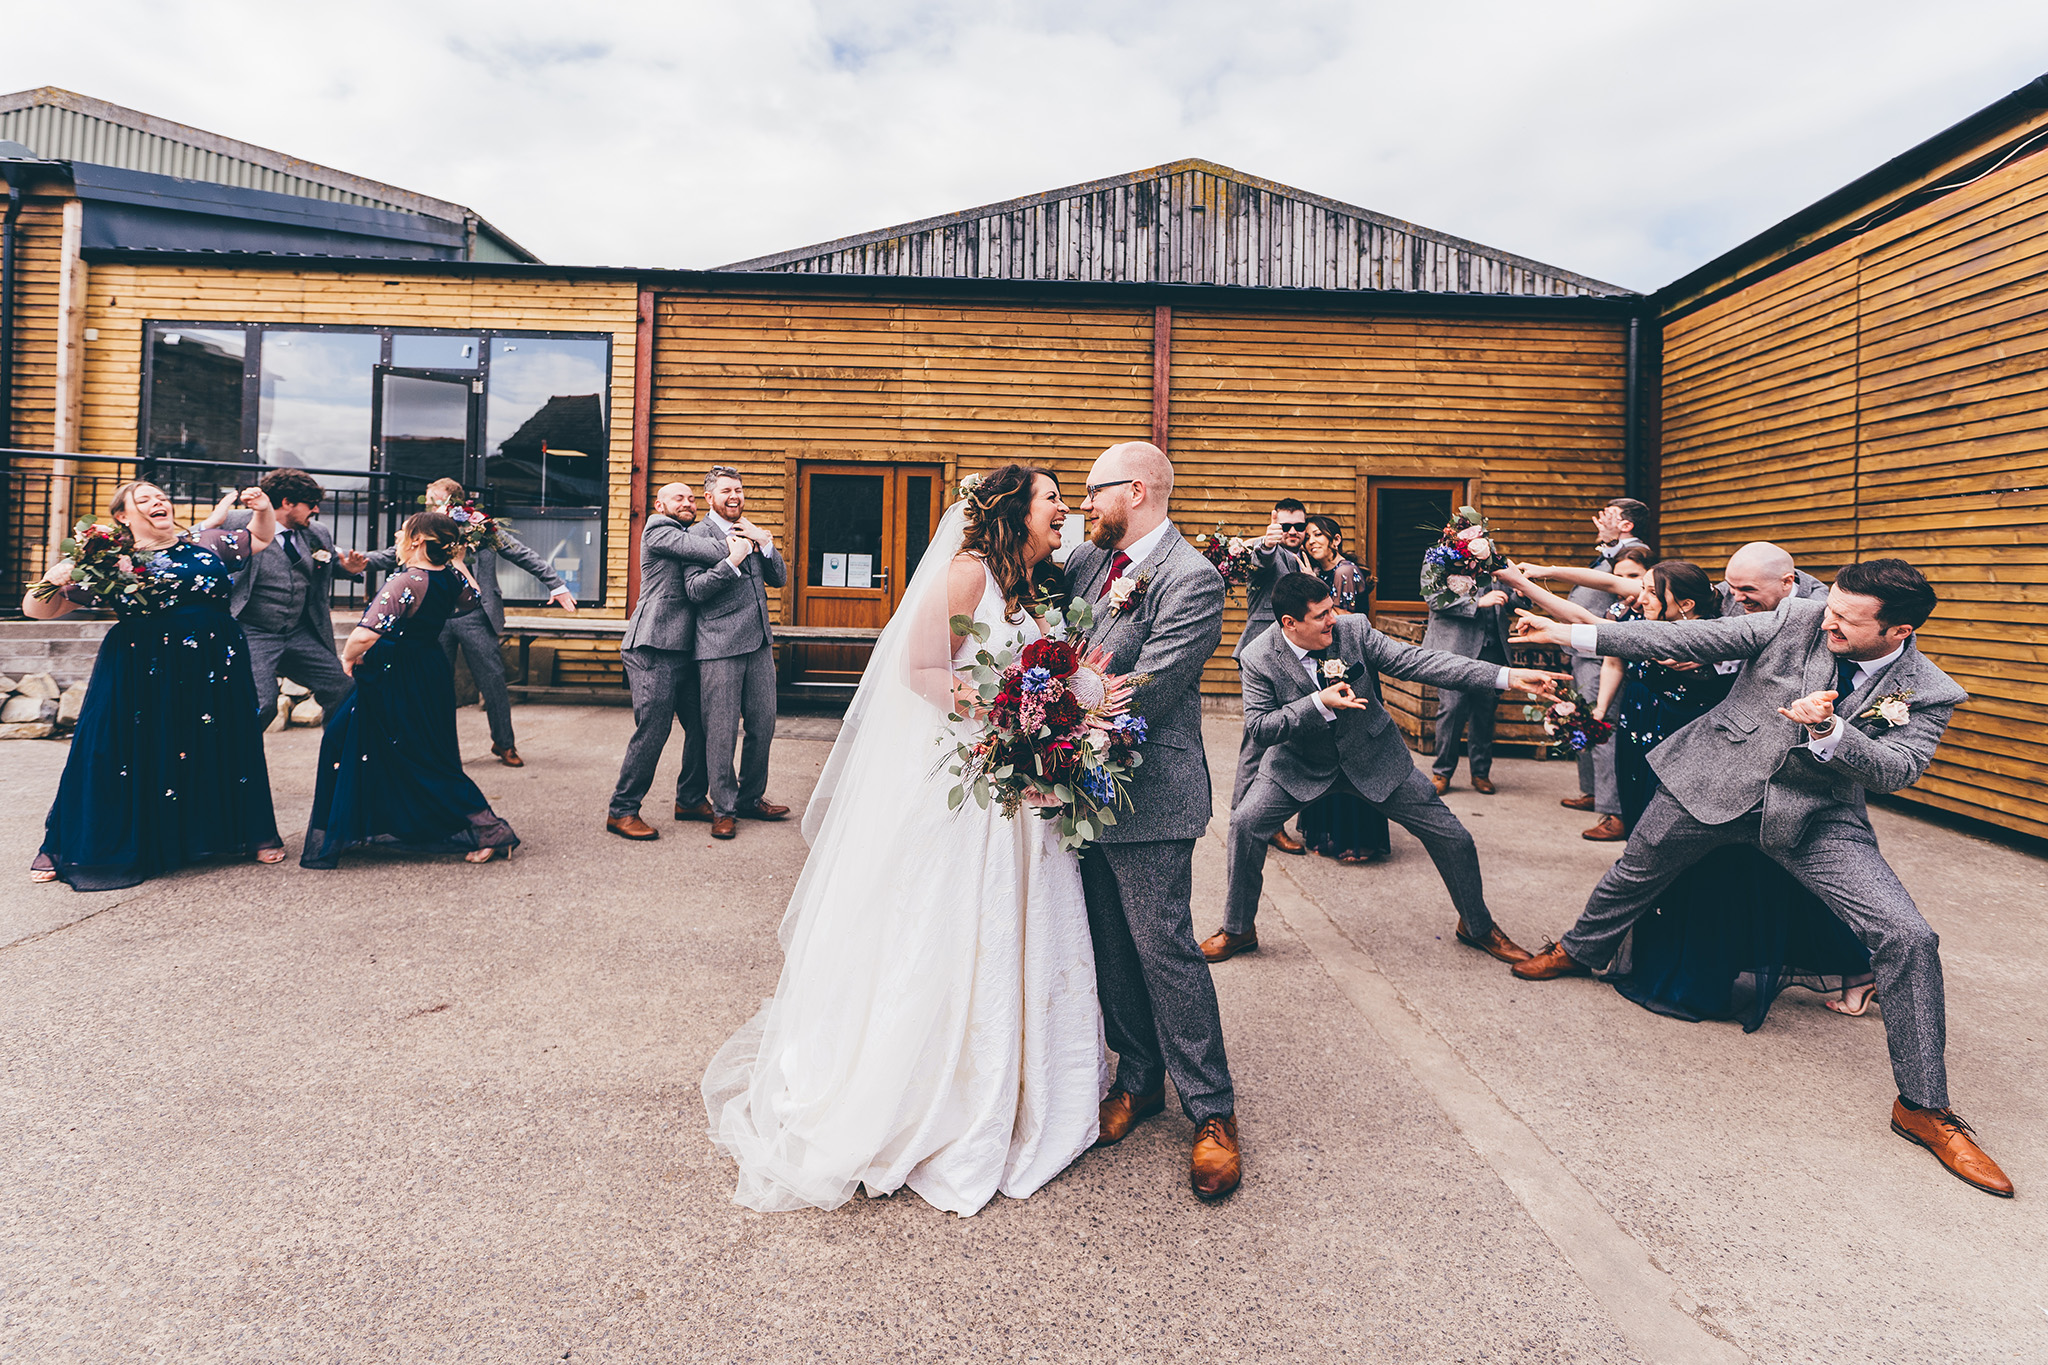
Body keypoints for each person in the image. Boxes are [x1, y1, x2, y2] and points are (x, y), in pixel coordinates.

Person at [1509, 559, 2013, 1198]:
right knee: (1635, 872)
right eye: (1830, 606)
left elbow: (1899, 769)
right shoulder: (1798, 617)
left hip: (1816, 815)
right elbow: (1684, 639)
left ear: (1899, 632)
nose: (1826, 620)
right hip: (1712, 781)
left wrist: (1831, 730)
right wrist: (1569, 636)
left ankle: (1922, 1106)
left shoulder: (1929, 690)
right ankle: (1579, 950)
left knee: (1910, 936)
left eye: (1847, 620)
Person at [702, 464, 1104, 1216]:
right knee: (946, 927)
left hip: (1011, 788)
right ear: (1017, 511)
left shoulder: (1026, 584)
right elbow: (920, 673)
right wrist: (1009, 709)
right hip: (970, 780)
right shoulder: (963, 575)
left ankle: (1024, 1074)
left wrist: (1054, 708)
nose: (1065, 513)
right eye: (1054, 500)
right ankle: (930, 1088)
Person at [1501, 558, 1876, 1027]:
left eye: (1746, 589)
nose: (1735, 596)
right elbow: (1646, 625)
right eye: (1732, 586)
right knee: (1640, 863)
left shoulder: (1822, 620)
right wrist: (1547, 606)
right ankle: (1580, 949)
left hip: (1788, 787)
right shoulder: (1725, 609)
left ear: (1788, 583)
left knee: (1785, 888)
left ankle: (1860, 967)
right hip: (1702, 771)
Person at [1207, 571, 1559, 968]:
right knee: (1245, 824)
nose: (1333, 619)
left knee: (1454, 838)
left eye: (1333, 609)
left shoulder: (1354, 630)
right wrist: (1318, 703)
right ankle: (1238, 930)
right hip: (1298, 764)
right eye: (1322, 615)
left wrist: (1507, 677)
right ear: (1290, 623)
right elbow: (1259, 727)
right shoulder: (1258, 656)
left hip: (1375, 757)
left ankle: (1477, 926)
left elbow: (1420, 662)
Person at [1064, 441, 1241, 1200]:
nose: (1083, 506)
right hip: (1079, 788)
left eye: (1092, 492)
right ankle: (1138, 1080)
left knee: (1164, 946)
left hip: (1154, 793)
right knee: (1108, 943)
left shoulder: (1191, 577)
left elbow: (1154, 681)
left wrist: (1044, 703)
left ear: (1135, 489)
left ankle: (1213, 1110)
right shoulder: (1086, 562)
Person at [26, 481, 285, 888]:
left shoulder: (206, 541)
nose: (157, 502)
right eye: (143, 499)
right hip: (142, 663)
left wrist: (264, 507)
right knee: (123, 748)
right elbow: (40, 611)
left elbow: (261, 537)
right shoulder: (109, 560)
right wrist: (53, 577)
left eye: (160, 496)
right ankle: (89, 843)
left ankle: (245, 833)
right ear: (123, 517)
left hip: (215, 660)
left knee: (221, 740)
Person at [302, 512, 520, 870]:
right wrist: (459, 561)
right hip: (427, 669)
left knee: (416, 755)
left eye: (404, 531)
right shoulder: (448, 576)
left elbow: (366, 634)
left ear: (418, 539)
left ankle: (489, 829)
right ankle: (360, 824)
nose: (399, 535)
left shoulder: (407, 580)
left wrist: (346, 658)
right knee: (363, 743)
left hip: (395, 672)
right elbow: (473, 598)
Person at [351, 478, 576, 769]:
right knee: (436, 685)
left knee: (493, 679)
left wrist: (556, 585)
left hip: (476, 614)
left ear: (455, 503)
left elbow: (523, 554)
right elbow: (391, 555)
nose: (429, 506)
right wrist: (358, 562)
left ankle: (504, 743)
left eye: (434, 501)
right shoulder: (421, 530)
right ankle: (440, 749)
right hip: (435, 617)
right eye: (427, 501)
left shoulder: (481, 526)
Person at [606, 482, 729, 840]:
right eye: (680, 498)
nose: (688, 503)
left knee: (703, 726)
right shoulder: (659, 529)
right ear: (660, 505)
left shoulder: (688, 535)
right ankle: (622, 810)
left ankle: (690, 799)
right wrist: (739, 544)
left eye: (692, 498)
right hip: (652, 647)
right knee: (653, 731)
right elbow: (707, 550)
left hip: (685, 652)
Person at [681, 466, 791, 840]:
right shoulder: (697, 535)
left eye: (739, 490)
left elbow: (779, 579)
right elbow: (694, 590)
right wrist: (733, 561)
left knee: (764, 725)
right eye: (727, 490)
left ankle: (751, 797)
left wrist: (766, 543)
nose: (735, 496)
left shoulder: (750, 530)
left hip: (759, 643)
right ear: (709, 497)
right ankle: (724, 809)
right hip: (718, 647)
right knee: (722, 732)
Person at [207, 469, 358, 731]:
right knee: (262, 704)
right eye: (310, 504)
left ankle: (338, 757)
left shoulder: (315, 532)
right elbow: (190, 548)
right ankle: (233, 763)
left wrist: (386, 559)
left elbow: (336, 562)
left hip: (298, 631)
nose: (316, 510)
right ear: (287, 502)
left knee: (342, 687)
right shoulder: (234, 522)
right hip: (252, 631)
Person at [1296, 515, 1389, 862]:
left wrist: (1309, 584)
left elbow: (1344, 622)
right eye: (1308, 537)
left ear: (1336, 540)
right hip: (1327, 664)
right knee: (1329, 747)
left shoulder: (1344, 571)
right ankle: (1332, 830)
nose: (1310, 541)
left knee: (1354, 747)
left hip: (1350, 666)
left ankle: (1361, 837)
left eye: (1317, 535)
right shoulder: (1320, 573)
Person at [1557, 497, 1650, 838]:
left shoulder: (1632, 554)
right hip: (1586, 652)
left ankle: (1613, 813)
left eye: (1610, 514)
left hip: (1604, 655)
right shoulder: (1610, 551)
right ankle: (1594, 792)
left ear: (1628, 525)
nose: (1600, 518)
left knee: (1602, 726)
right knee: (1586, 721)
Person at [1231, 497, 1311, 852]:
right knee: (1258, 741)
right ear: (1275, 522)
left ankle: (1264, 818)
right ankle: (1243, 820)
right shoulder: (1270, 553)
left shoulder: (1298, 560)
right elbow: (1259, 563)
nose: (1293, 532)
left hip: (1291, 657)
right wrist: (1265, 543)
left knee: (1284, 739)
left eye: (1300, 526)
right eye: (1287, 525)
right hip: (1263, 657)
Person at [1421, 551, 1523, 797]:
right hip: (1454, 649)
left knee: (1485, 714)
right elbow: (1434, 599)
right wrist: (1477, 603)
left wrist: (1520, 590)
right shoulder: (1438, 560)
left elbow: (1512, 599)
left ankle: (1480, 773)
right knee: (1452, 710)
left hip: (1492, 649)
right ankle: (1442, 772)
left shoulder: (1494, 561)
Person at [1719, 541, 1829, 618]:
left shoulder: (1819, 613)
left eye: (1748, 589)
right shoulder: (1732, 586)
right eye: (1731, 586)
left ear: (1786, 582)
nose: (1737, 598)